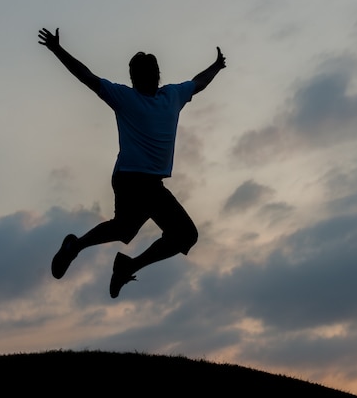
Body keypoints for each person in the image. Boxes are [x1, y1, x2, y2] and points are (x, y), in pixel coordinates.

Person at [38, 27, 226, 298]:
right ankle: (125, 265)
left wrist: (216, 66)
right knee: (185, 235)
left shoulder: (168, 96)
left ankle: (76, 246)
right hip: (138, 181)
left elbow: (200, 81)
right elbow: (86, 77)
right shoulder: (142, 97)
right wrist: (57, 50)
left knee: (125, 229)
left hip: (135, 179)